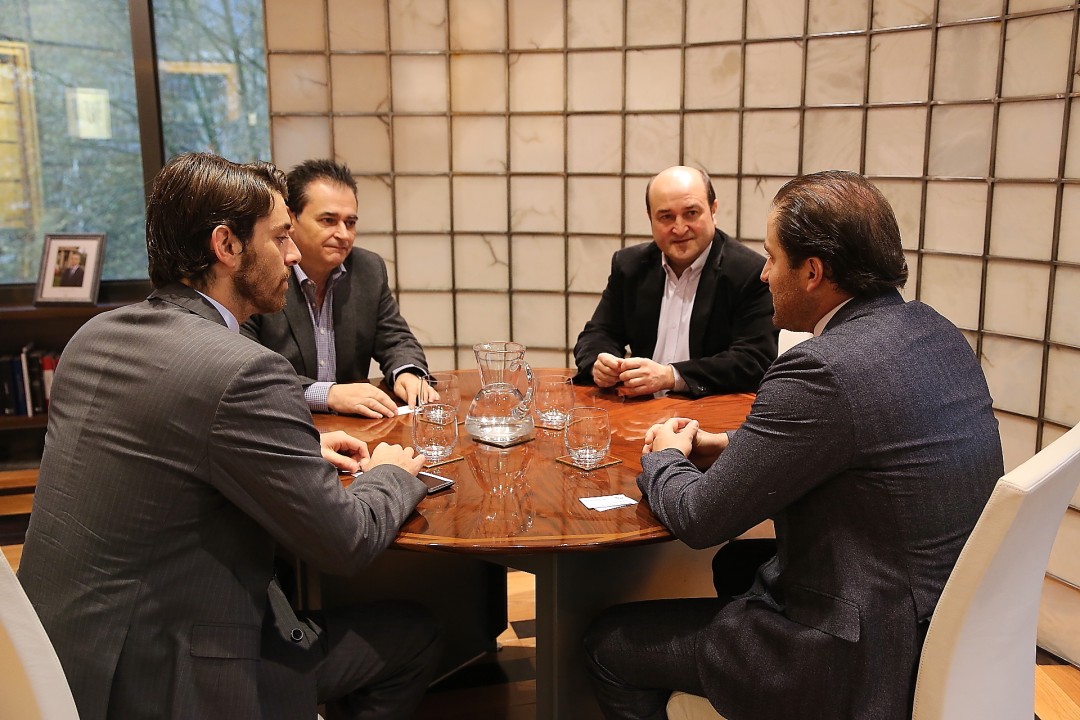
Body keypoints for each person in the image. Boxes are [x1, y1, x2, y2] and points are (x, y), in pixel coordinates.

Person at [18, 152, 441, 720]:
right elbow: (345, 541)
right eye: (281, 237)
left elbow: (166, 445)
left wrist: (293, 449)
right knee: (413, 634)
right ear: (227, 244)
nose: (293, 255)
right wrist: (389, 474)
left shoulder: (93, 337)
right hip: (167, 678)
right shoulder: (243, 369)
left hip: (56, 660)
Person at [583, 171, 1003, 720]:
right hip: (932, 614)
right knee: (738, 565)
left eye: (772, 258)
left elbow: (700, 520)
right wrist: (726, 445)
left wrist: (663, 455)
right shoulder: (933, 330)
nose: (763, 273)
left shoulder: (821, 368)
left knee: (609, 643)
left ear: (812, 272)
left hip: (862, 650)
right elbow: (854, 442)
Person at [242, 159, 434, 418]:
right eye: (328, 220)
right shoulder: (260, 274)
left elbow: (396, 339)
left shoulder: (367, 269)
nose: (343, 234)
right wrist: (328, 394)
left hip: (354, 426)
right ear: (291, 219)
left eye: (350, 223)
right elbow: (251, 372)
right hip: (281, 422)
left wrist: (407, 372)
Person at [573, 165, 777, 398]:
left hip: (709, 409)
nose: (679, 229)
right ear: (650, 218)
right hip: (641, 407)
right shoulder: (630, 266)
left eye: (691, 213)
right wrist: (600, 364)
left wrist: (672, 376)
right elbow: (598, 333)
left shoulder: (749, 272)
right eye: (666, 217)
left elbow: (754, 360)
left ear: (713, 210)